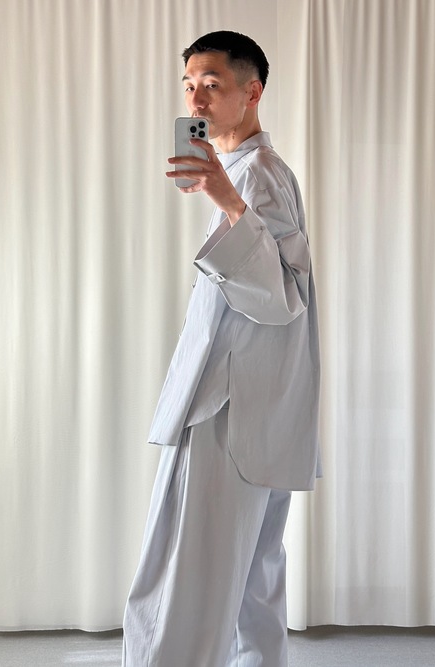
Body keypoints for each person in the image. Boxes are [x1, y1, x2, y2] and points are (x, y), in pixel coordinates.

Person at [122, 30, 321, 667]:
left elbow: (283, 296)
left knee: (187, 576)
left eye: (212, 84)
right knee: (253, 577)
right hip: (254, 402)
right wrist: (224, 193)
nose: (196, 100)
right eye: (189, 85)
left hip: (228, 406)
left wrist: (228, 201)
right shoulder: (243, 169)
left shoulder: (255, 174)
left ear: (251, 92)